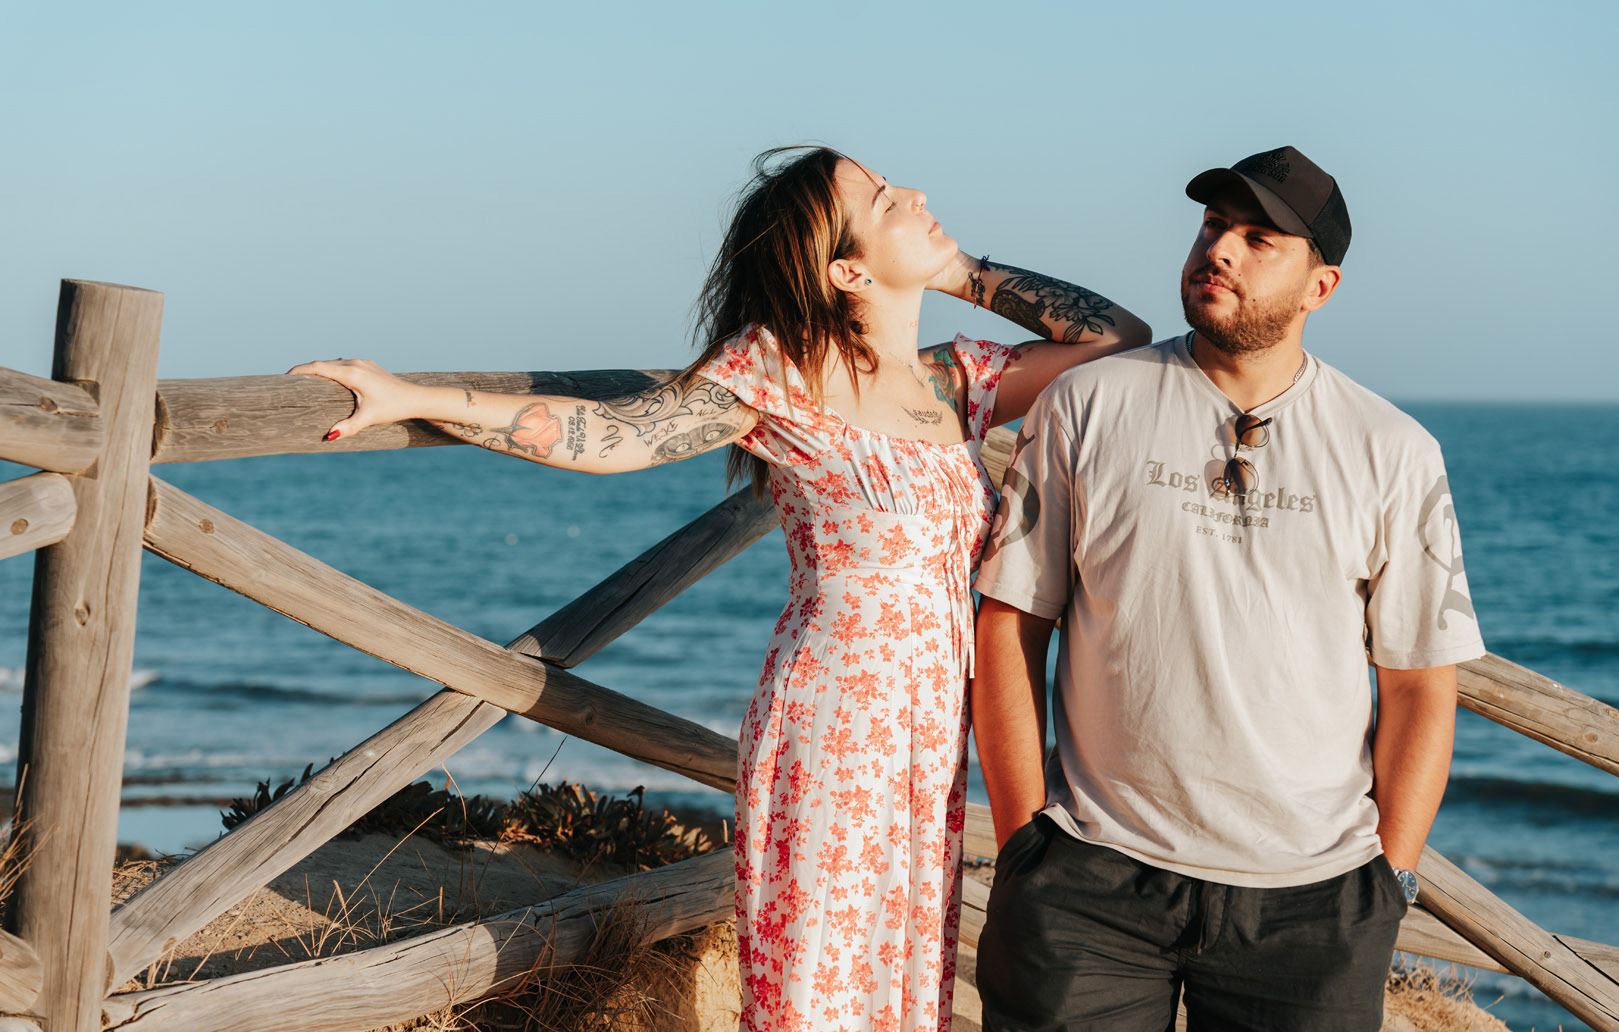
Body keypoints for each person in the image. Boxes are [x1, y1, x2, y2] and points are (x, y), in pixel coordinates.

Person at [291, 146, 1151, 1032]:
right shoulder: (775, 370)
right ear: (846, 269)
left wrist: (958, 269)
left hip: (929, 738)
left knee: (900, 984)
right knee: (818, 983)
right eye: (888, 201)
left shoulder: (956, 380)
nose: (918, 194)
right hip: (836, 725)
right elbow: (618, 436)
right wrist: (412, 395)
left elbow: (1112, 341)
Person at [970, 146, 1486, 1031]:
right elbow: (1011, 624)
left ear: (1319, 287)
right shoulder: (1086, 405)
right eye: (1213, 226)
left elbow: (1419, 683)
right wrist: (1024, 840)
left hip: (1311, 904)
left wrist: (1385, 882)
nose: (1220, 251)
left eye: (1258, 239)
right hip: (1089, 880)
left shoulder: (1392, 452)